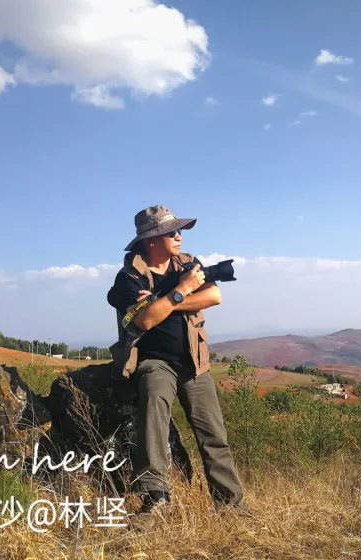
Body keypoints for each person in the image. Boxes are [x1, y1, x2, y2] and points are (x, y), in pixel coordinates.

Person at [106, 205, 245, 517]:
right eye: (171, 233)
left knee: (214, 434)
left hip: (194, 360)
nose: (179, 237)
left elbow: (214, 297)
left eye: (178, 231)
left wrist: (164, 303)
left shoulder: (187, 263)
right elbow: (142, 322)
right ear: (151, 240)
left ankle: (231, 505)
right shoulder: (129, 278)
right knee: (153, 414)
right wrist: (181, 290)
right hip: (154, 361)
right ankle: (155, 498)